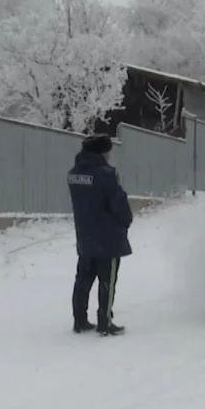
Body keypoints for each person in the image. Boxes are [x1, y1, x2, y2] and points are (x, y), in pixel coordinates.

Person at [68, 134, 133, 335]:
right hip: (108, 237)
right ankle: (105, 322)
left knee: (83, 279)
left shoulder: (74, 174)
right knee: (107, 280)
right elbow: (118, 202)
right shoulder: (106, 174)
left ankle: (80, 320)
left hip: (85, 235)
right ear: (102, 152)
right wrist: (126, 220)